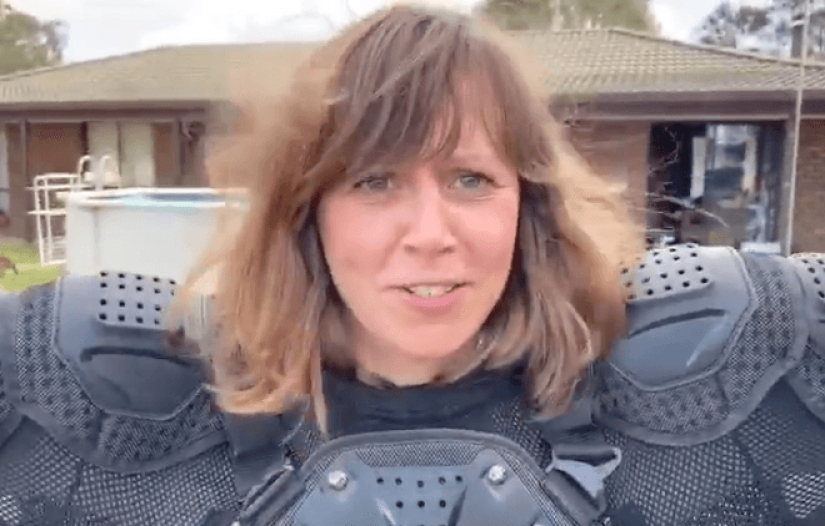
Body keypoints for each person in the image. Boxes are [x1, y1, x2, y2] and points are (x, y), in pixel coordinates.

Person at [1, 4, 824, 526]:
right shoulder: (100, 398)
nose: (429, 233)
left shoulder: (719, 383)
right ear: (306, 211)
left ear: (526, 204)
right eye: (374, 181)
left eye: (470, 179)